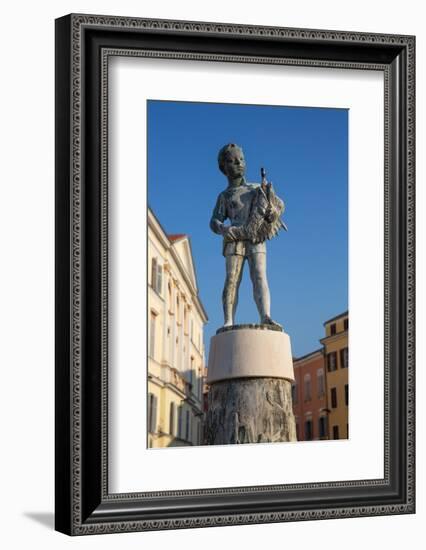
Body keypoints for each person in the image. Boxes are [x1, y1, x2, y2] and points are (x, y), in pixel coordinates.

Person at [210, 143, 285, 328]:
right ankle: (228, 321)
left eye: (241, 159)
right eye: (233, 161)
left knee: (260, 276)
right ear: (224, 167)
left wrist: (272, 213)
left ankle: (266, 316)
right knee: (232, 279)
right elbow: (214, 220)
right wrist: (223, 229)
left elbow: (276, 205)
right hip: (234, 238)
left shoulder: (257, 188)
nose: (239, 163)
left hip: (256, 237)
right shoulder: (225, 196)